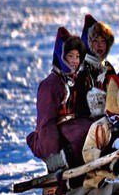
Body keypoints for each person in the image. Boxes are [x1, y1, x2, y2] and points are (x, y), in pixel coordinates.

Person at [60, 75, 119, 195]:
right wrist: (106, 156)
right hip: (102, 173)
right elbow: (88, 152)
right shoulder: (101, 126)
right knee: (106, 184)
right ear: (114, 104)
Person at [26, 27, 92, 173]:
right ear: (61, 57)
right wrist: (54, 156)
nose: (75, 61)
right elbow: (46, 123)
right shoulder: (50, 85)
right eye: (70, 56)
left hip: (76, 132)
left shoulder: (75, 80)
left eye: (77, 56)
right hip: (63, 141)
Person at [74, 14, 116, 119]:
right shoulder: (81, 70)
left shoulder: (108, 68)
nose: (99, 45)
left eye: (103, 41)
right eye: (95, 41)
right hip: (87, 124)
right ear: (89, 44)